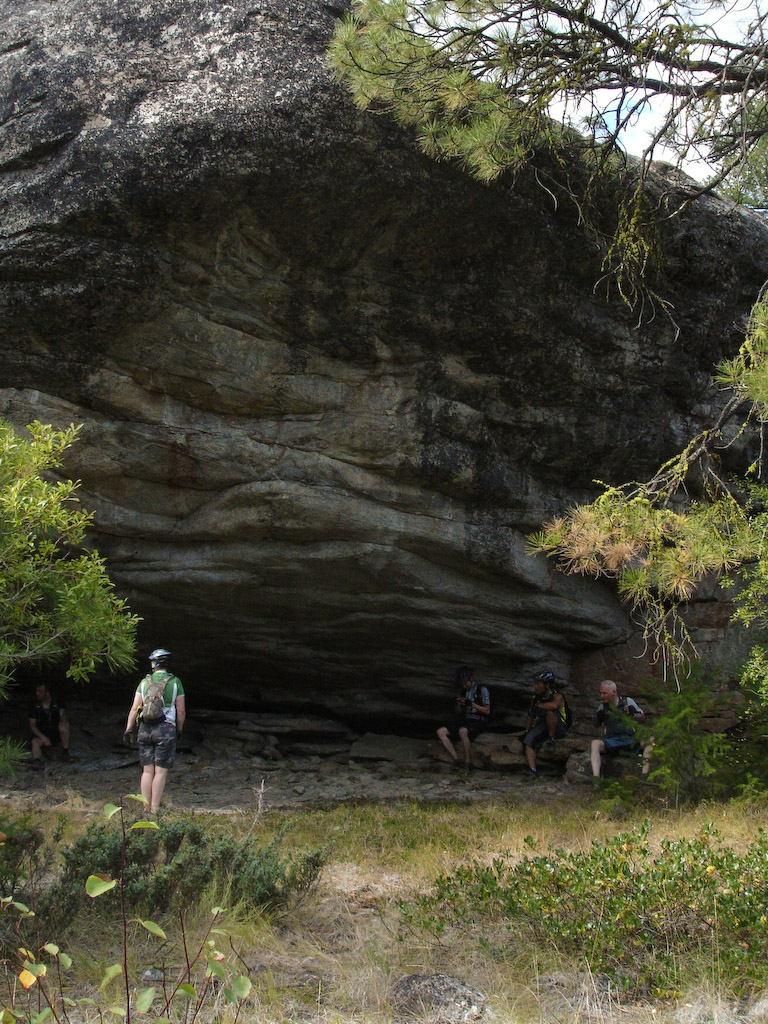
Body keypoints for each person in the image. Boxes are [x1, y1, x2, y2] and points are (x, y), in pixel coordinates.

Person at [124, 648, 185, 813]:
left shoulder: (144, 682)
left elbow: (134, 708)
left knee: (147, 770)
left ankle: (145, 807)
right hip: (166, 728)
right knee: (160, 771)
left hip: (145, 728)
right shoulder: (175, 682)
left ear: (155, 663)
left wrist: (129, 729)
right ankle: (154, 809)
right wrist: (179, 729)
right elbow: (181, 711)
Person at [590, 679, 652, 786]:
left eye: (605, 693)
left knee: (651, 740)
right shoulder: (602, 707)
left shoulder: (627, 702)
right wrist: (598, 717)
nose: (602, 696)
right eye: (601, 693)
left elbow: (642, 718)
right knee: (595, 743)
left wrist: (632, 714)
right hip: (611, 741)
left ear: (614, 692)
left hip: (629, 740)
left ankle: (644, 776)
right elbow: (596, 725)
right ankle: (596, 779)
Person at [436, 666, 490, 771]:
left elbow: (487, 711)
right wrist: (459, 705)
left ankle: (468, 762)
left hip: (478, 719)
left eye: (466, 683)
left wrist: (471, 704)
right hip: (466, 719)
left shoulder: (481, 690)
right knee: (441, 732)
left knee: (463, 731)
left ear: (471, 679)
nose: (464, 686)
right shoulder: (462, 691)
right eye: (462, 684)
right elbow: (458, 712)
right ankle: (457, 760)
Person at [522, 669, 568, 781]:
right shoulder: (535, 698)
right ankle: (533, 771)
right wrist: (527, 731)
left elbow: (554, 706)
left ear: (547, 685)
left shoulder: (557, 696)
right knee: (528, 741)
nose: (535, 686)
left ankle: (551, 739)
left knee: (550, 712)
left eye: (538, 684)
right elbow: (531, 715)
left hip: (558, 727)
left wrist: (539, 706)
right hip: (543, 725)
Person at [28, 683, 70, 769]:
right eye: (37, 691)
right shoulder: (34, 705)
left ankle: (65, 752)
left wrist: (62, 716)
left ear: (47, 693)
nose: (37, 693)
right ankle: (37, 761)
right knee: (35, 742)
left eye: (40, 691)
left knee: (64, 727)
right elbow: (32, 726)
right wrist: (42, 737)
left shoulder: (57, 703)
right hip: (41, 733)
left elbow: (64, 720)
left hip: (55, 732)